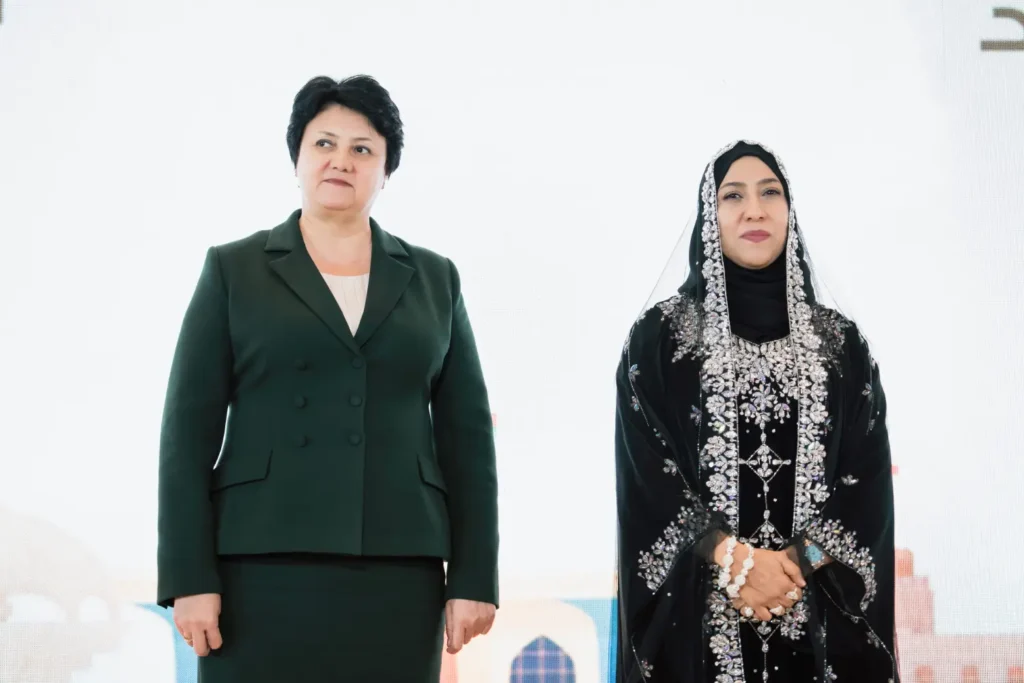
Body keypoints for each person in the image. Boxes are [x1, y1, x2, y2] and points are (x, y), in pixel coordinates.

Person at [156, 74, 499, 683]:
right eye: (324, 144)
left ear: (385, 170)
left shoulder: (434, 278)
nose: (341, 160)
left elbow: (468, 440)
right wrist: (189, 577)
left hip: (398, 569)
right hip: (256, 568)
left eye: (362, 149)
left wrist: (474, 578)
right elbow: (187, 435)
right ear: (298, 158)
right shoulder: (233, 268)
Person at [614, 141, 898, 682]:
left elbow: (866, 483)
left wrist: (794, 565)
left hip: (820, 622)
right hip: (694, 625)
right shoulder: (659, 340)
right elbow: (648, 476)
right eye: (732, 195)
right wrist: (734, 561)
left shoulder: (842, 347)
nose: (754, 209)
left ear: (790, 212)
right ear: (708, 215)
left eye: (771, 193)